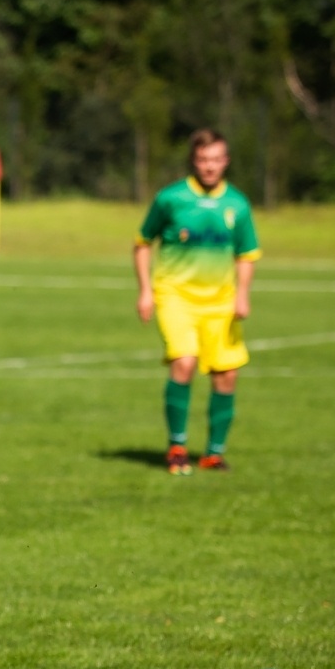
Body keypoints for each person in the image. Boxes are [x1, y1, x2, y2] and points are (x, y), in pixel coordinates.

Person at [133, 128, 261, 474]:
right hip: (176, 296)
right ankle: (177, 448)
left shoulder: (237, 204)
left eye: (217, 159)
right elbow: (143, 243)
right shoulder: (170, 199)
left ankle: (213, 454)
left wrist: (242, 295)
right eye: (204, 159)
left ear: (226, 161)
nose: (210, 167)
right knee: (185, 363)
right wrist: (146, 291)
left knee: (226, 375)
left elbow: (246, 254)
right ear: (193, 160)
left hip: (220, 302)